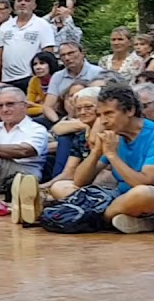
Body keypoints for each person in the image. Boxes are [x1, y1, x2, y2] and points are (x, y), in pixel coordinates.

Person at [62, 85, 154, 233]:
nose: (103, 121)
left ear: (130, 110)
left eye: (109, 113)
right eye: (100, 115)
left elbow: (143, 182)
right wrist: (96, 152)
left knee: (143, 194)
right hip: (118, 197)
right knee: (61, 187)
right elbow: (79, 181)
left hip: (142, 197)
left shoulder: (151, 134)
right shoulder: (115, 135)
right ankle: (127, 219)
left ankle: (95, 218)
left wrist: (112, 155)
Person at [0, 0, 57, 90]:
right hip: (7, 79)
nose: (23, 3)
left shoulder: (42, 25)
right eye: (19, 0)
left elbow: (48, 53)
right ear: (14, 6)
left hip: (32, 77)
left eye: (27, 1)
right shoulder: (5, 26)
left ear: (34, 6)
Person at [42, 42, 102, 123]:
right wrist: (58, 122)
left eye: (71, 53)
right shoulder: (57, 77)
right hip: (65, 117)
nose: (67, 58)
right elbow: (47, 107)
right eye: (63, 55)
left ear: (82, 53)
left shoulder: (98, 73)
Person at [26, 52, 60, 118]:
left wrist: (35, 105)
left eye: (42, 63)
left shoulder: (59, 78)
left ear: (51, 64)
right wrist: (45, 108)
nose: (37, 67)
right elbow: (27, 106)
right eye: (35, 64)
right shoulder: (34, 81)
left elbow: (57, 108)